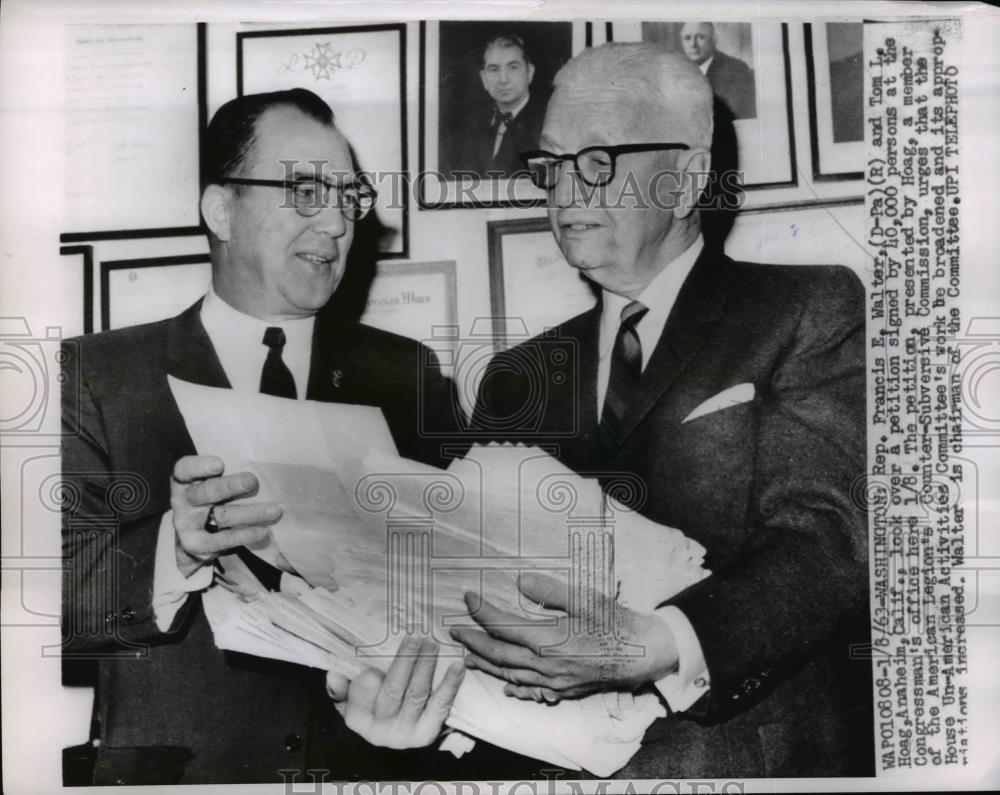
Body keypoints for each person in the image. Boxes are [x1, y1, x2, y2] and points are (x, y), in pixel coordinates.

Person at [454, 43, 874, 778]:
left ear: (685, 181)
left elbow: (826, 542)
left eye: (597, 161)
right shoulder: (513, 378)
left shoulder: (806, 308)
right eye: (551, 165)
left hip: (743, 758)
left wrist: (658, 642)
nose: (564, 191)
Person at [60, 88, 466, 785]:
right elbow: (46, 600)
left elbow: (456, 576)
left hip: (367, 766)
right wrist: (172, 547)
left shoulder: (409, 375)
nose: (337, 222)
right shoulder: (95, 374)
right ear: (221, 210)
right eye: (306, 189)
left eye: (349, 196)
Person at [447, 34, 548, 179]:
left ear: (529, 72)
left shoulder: (547, 124)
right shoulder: (469, 127)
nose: (503, 80)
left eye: (513, 67)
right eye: (494, 69)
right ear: (484, 79)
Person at [680, 21, 756, 120]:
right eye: (687, 38)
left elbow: (737, 116)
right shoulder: (679, 71)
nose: (693, 44)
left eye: (700, 37)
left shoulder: (736, 70)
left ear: (714, 39)